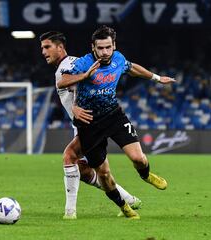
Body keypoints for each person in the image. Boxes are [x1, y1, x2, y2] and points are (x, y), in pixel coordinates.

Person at [58, 25, 175, 217]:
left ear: (114, 45)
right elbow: (62, 82)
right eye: (100, 48)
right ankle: (124, 206)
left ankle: (146, 176)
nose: (105, 52)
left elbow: (132, 68)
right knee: (103, 174)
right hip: (89, 123)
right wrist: (86, 75)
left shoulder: (118, 58)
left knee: (138, 158)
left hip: (113, 116)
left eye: (108, 47)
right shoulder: (83, 63)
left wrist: (156, 78)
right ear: (93, 47)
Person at [40, 31, 142, 219]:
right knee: (86, 171)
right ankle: (129, 199)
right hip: (83, 125)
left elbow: (87, 83)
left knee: (69, 157)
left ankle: (70, 212)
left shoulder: (70, 64)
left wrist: (77, 106)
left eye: (47, 47)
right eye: (42, 48)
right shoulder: (64, 66)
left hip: (92, 123)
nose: (43, 52)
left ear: (60, 47)